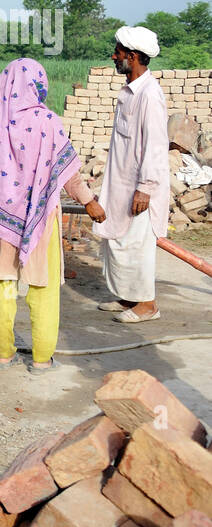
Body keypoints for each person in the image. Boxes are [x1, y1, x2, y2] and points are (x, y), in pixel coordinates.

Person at [0, 59, 105, 374]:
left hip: (1, 217)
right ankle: (41, 359)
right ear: (37, 85)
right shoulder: (49, 122)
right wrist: (89, 202)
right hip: (40, 218)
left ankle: (3, 355)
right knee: (42, 286)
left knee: (4, 285)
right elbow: (68, 174)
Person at [93, 27, 169, 323]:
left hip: (139, 188)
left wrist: (146, 187)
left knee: (137, 246)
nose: (114, 56)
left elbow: (155, 146)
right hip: (121, 185)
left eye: (118, 52)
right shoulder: (130, 91)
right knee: (119, 242)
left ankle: (147, 305)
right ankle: (129, 298)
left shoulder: (150, 95)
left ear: (133, 56)